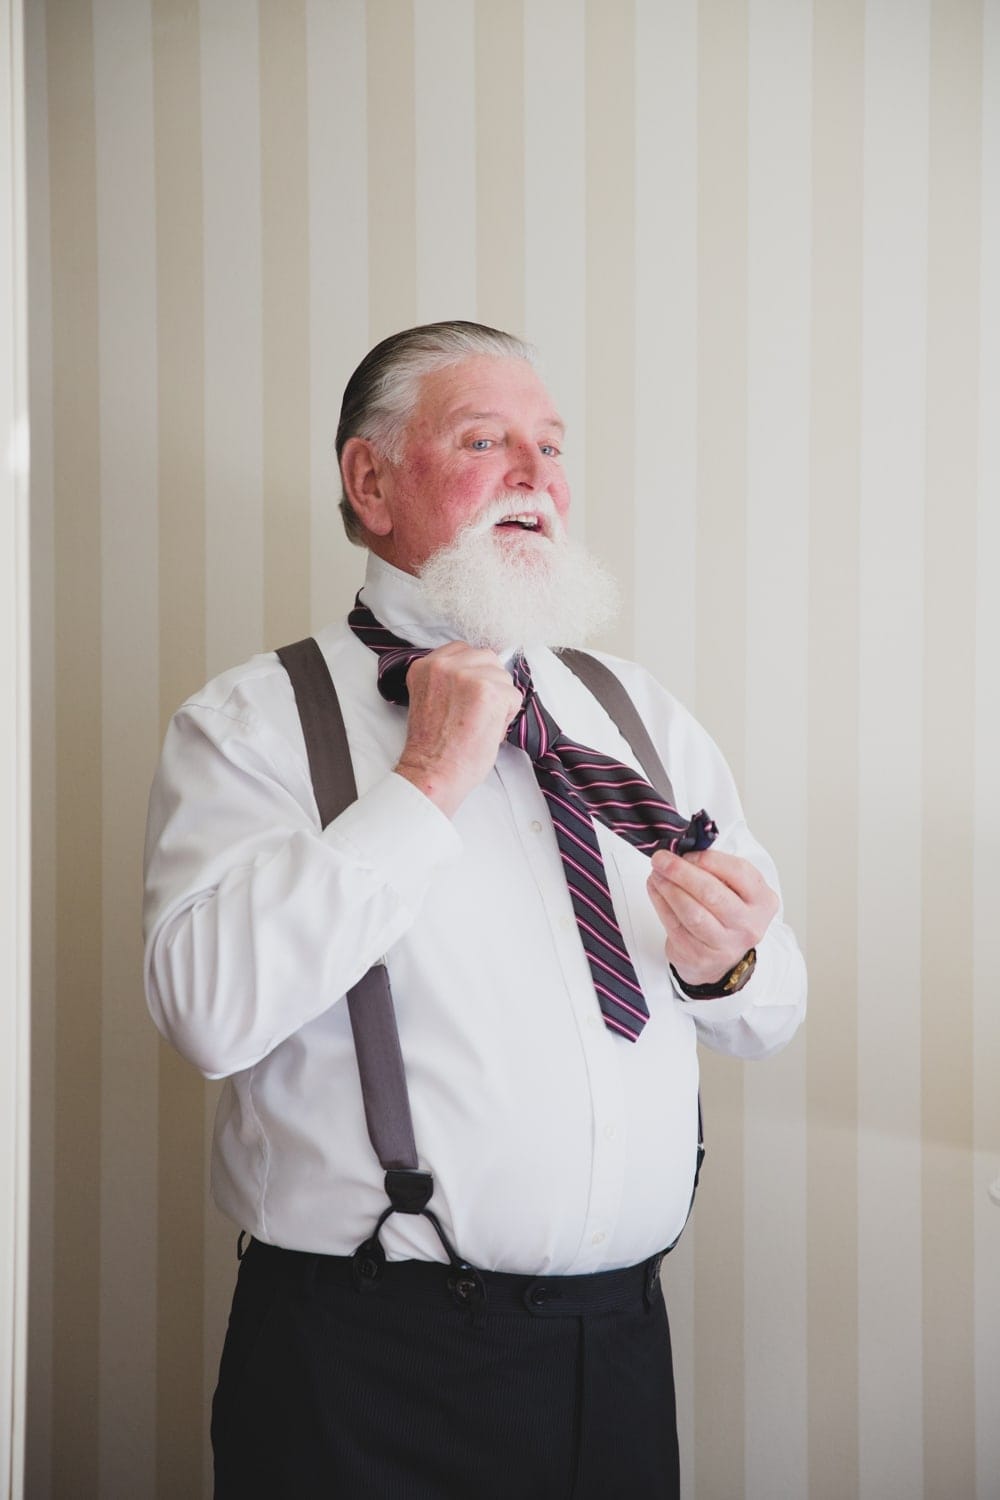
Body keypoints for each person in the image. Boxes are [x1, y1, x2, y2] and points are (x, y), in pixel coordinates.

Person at [143, 320, 806, 1499]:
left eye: (551, 447)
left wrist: (731, 968)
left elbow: (770, 1011)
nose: (536, 477)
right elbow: (205, 1012)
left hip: (619, 1352)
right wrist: (423, 784)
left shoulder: (636, 712)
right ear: (370, 479)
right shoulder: (247, 723)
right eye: (486, 439)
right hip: (364, 1373)